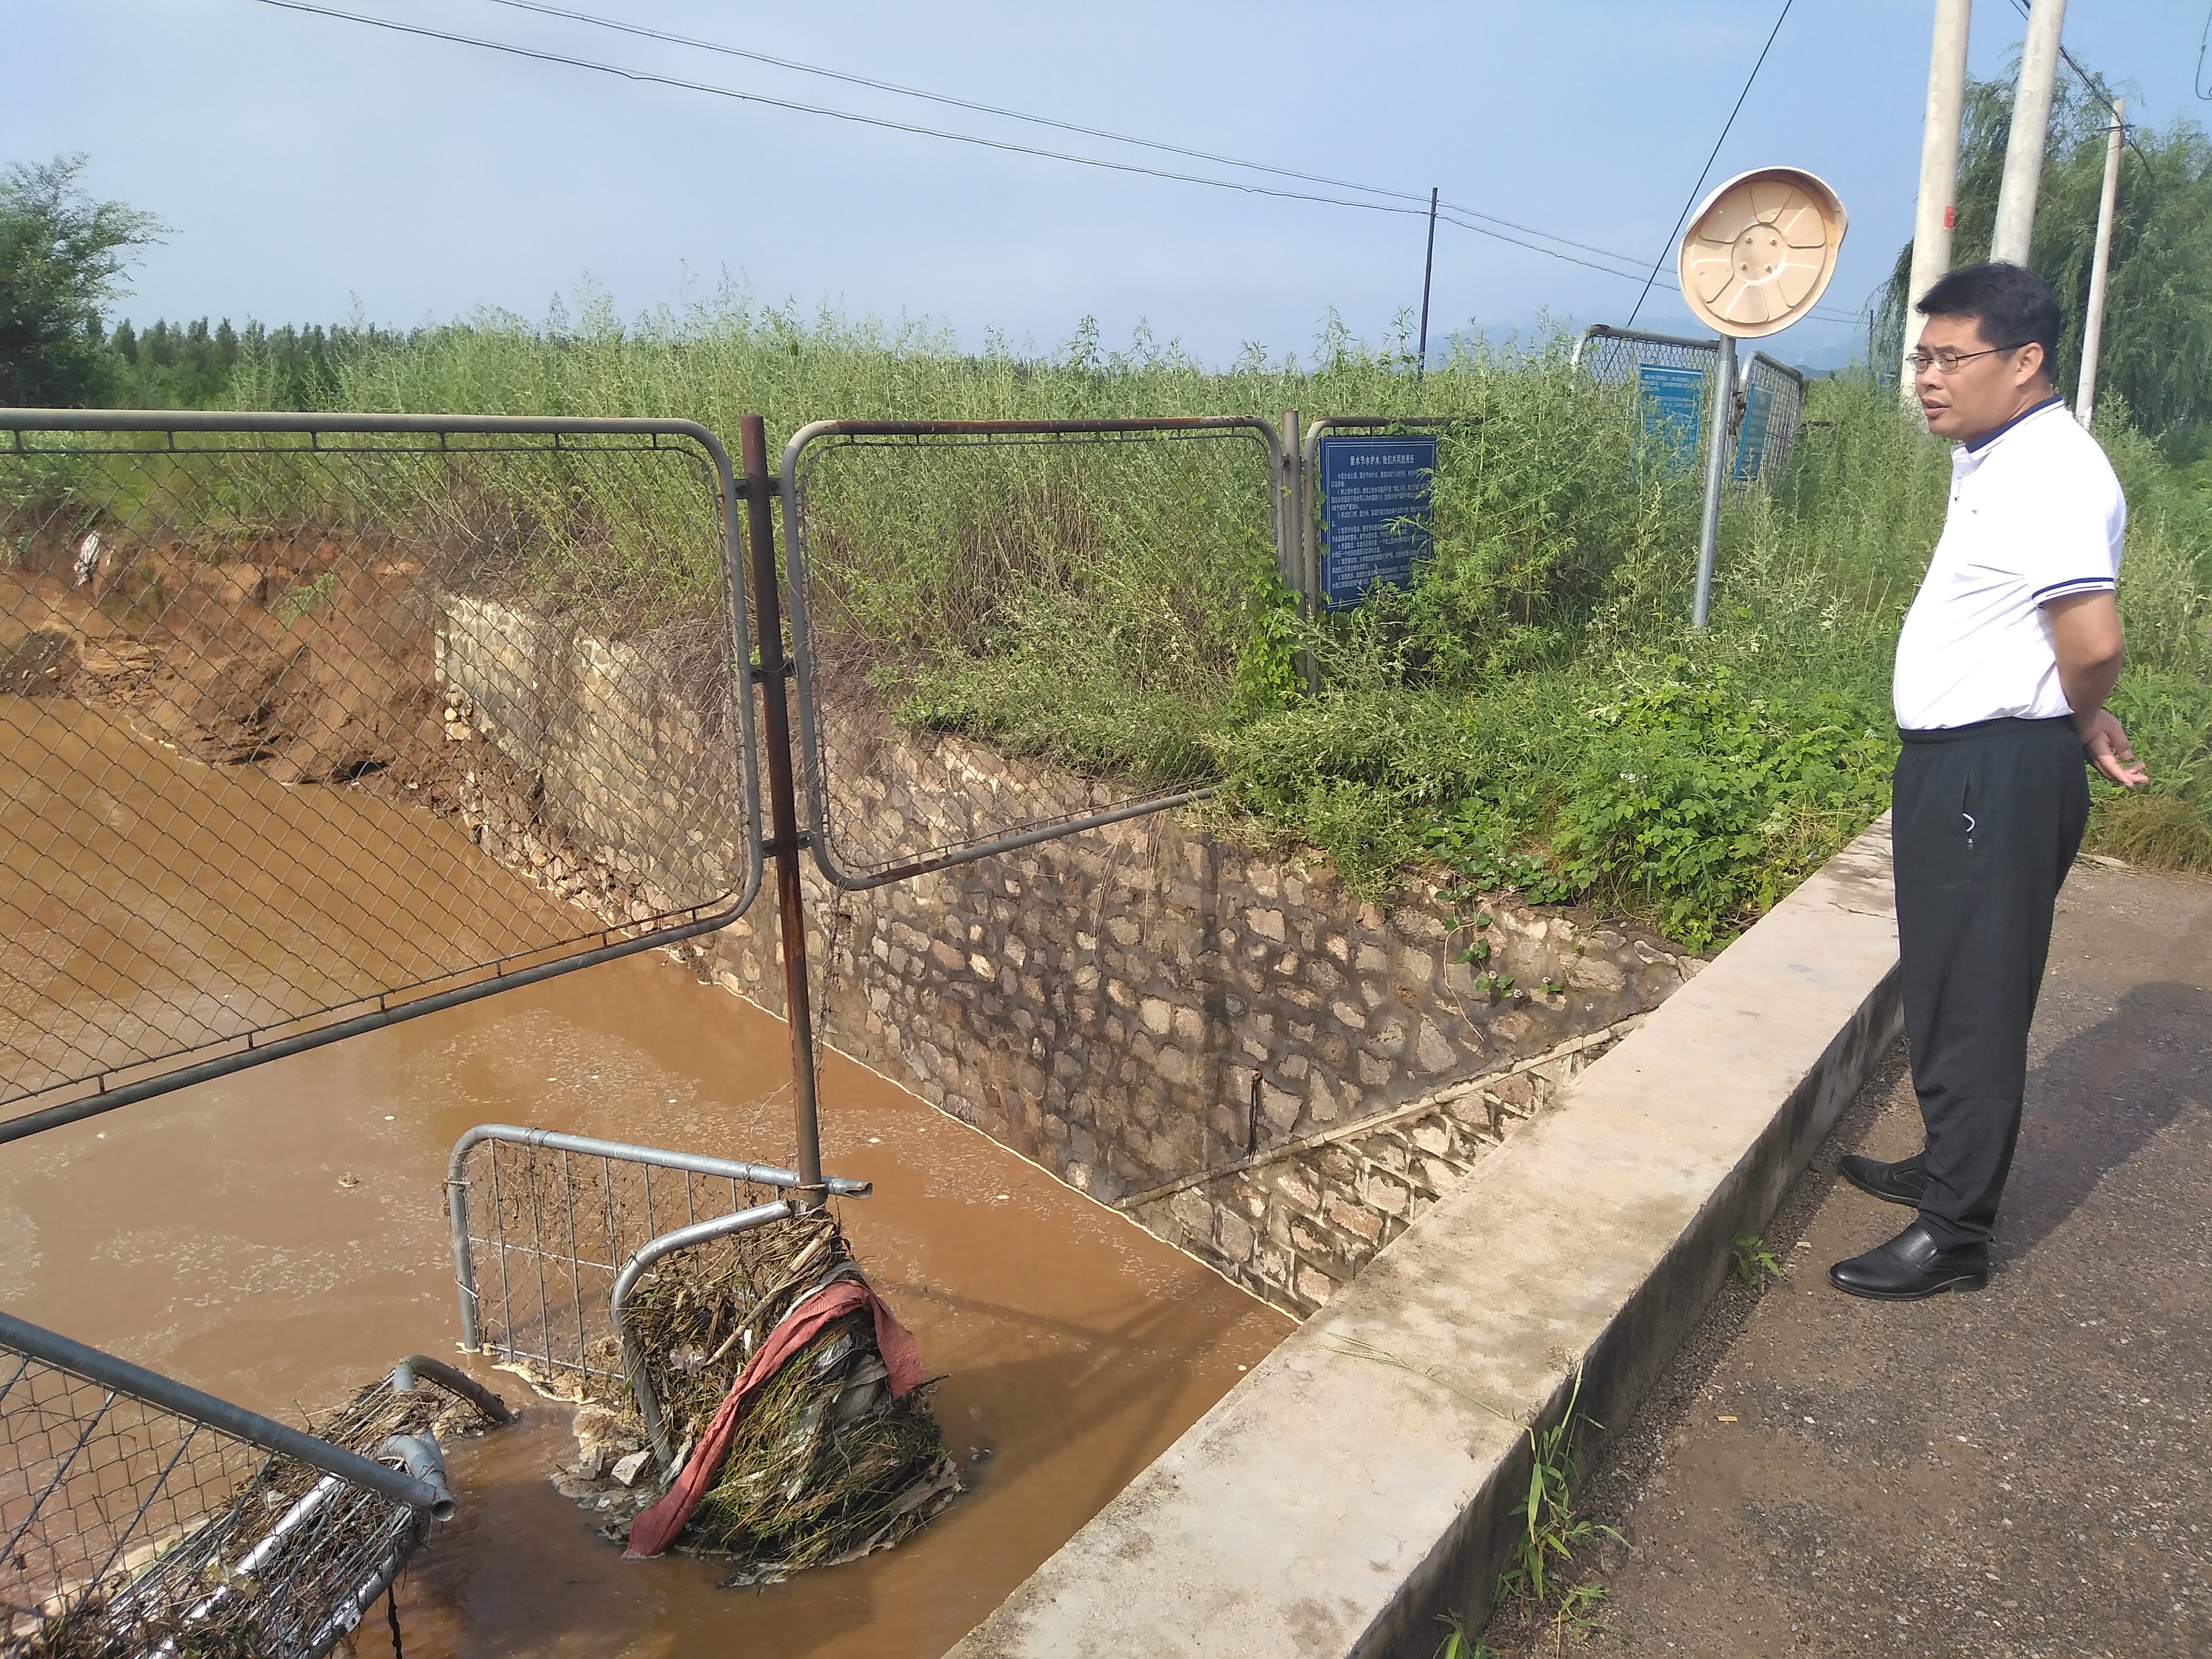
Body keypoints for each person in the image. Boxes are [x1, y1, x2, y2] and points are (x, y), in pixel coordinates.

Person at [1829, 261, 2147, 1302]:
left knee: (1975, 995)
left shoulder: (2050, 471)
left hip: (1993, 768)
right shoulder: (1995, 454)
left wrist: (2078, 709)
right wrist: (2073, 709)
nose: (1928, 378)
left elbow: (2092, 640)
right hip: (1963, 762)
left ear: (2024, 361)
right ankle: (1946, 1164)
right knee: (1945, 977)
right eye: (1921, 357)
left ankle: (1954, 1235)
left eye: (1950, 358)